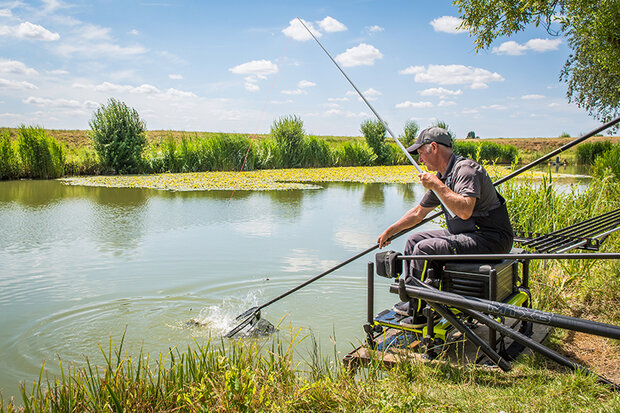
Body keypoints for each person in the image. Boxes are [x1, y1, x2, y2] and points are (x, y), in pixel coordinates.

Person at [377, 126, 513, 327]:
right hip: (469, 234)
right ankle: (419, 300)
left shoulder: (465, 170)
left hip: (491, 239)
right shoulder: (442, 177)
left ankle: (419, 310)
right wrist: (390, 230)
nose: (421, 160)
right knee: (414, 240)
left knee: (425, 248)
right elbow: (417, 214)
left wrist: (436, 185)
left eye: (422, 153)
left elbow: (465, 210)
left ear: (433, 147)